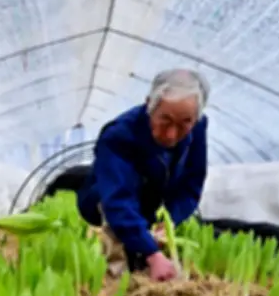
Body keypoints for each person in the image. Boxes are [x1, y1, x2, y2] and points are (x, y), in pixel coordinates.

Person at [77, 69, 210, 281]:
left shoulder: (198, 127)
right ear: (149, 104)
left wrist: (170, 220)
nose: (171, 135)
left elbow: (191, 184)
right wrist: (152, 253)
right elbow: (118, 199)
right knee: (119, 260)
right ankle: (117, 288)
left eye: (185, 123)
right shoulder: (119, 135)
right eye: (164, 120)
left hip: (152, 200)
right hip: (108, 201)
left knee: (146, 252)